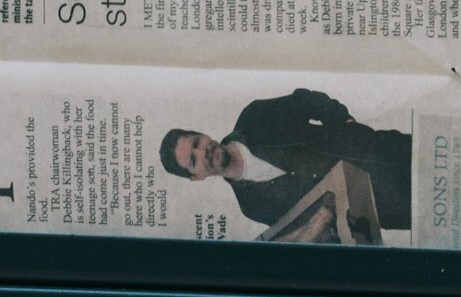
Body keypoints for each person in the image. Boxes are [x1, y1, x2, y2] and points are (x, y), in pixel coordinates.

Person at [158, 94, 412, 231]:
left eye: (196, 141)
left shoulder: (254, 117)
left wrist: (346, 125)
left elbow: (306, 100)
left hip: (383, 151)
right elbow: (316, 228)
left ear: (202, 134)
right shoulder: (252, 206)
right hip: (387, 205)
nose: (203, 151)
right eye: (193, 160)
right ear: (197, 177)